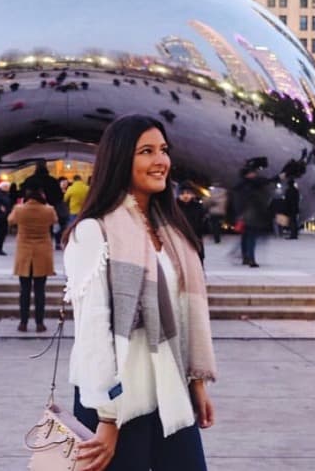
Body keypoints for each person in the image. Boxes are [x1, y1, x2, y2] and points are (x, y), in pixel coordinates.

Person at [63, 115, 216, 471]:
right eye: (146, 151)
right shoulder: (93, 232)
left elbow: (183, 315)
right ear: (120, 160)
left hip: (171, 394)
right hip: (115, 403)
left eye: (163, 150)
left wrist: (197, 385)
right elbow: (93, 335)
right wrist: (106, 417)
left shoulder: (174, 235)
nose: (160, 160)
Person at [8, 187, 57, 332]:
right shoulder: (49, 210)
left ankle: (23, 323)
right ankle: (40, 323)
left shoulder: (19, 209)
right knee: (40, 291)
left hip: (24, 253)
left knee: (24, 290)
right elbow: (54, 220)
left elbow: (10, 220)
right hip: (42, 253)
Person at [232, 160, 273, 267]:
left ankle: (246, 257)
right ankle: (251, 258)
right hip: (252, 216)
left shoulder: (240, 186)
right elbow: (259, 201)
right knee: (251, 238)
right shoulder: (252, 187)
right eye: (252, 173)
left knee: (246, 237)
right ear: (248, 175)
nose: (254, 174)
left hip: (244, 215)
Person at [177, 185, 206, 260]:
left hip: (195, 236)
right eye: (182, 193)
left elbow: (202, 220)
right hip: (179, 237)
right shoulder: (175, 207)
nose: (185, 196)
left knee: (197, 258)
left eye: (188, 193)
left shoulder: (197, 206)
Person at [54, 176, 71, 250]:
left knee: (65, 228)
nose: (65, 184)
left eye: (66, 183)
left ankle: (64, 242)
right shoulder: (56, 192)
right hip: (58, 212)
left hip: (65, 212)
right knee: (58, 229)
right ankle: (58, 243)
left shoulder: (69, 191)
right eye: (63, 182)